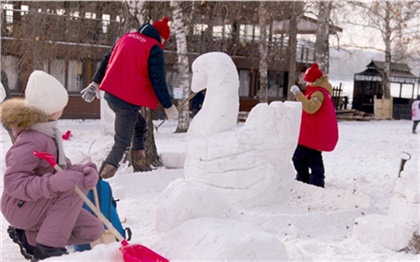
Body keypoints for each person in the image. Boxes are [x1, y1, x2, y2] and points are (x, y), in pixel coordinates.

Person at [0, 71, 104, 261]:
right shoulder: (31, 140)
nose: (63, 109)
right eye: (60, 105)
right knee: (73, 186)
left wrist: (83, 170)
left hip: (39, 203)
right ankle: (47, 250)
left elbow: (58, 167)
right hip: (18, 206)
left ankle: (30, 237)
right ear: (50, 109)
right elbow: (13, 184)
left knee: (92, 229)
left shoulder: (48, 132)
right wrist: (52, 183)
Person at [81, 17, 178, 179]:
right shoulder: (154, 48)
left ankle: (140, 167)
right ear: (161, 37)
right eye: (164, 40)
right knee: (122, 143)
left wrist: (95, 83)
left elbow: (108, 59)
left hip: (111, 96)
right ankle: (100, 179)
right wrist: (168, 106)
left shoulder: (127, 37)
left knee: (140, 127)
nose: (163, 43)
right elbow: (158, 79)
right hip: (126, 102)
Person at [290, 63, 339, 188]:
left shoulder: (318, 93)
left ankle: (303, 179)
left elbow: (310, 108)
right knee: (314, 158)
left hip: (310, 134)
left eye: (309, 81)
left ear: (315, 81)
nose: (307, 84)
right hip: (314, 134)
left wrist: (298, 94)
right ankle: (316, 182)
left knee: (299, 157)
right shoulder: (321, 91)